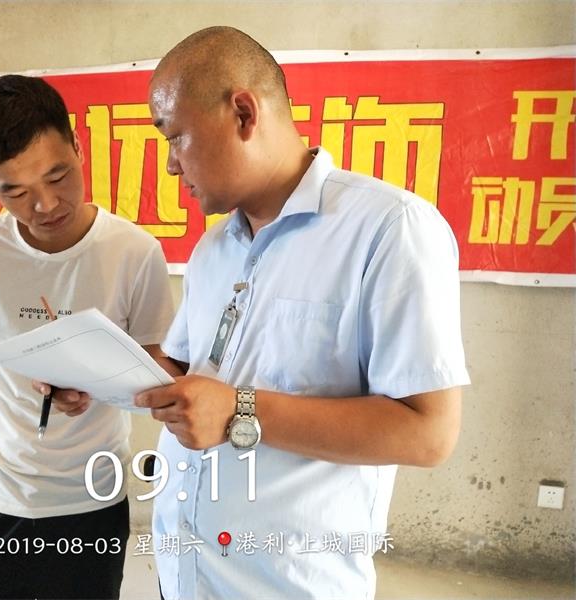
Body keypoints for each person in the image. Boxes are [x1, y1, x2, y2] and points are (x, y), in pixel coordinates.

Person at [133, 26, 471, 599]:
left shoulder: (388, 230)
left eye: (176, 137)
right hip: (183, 573)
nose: (170, 165)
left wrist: (239, 409)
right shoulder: (214, 250)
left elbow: (428, 433)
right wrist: (98, 371)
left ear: (243, 113)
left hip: (287, 585)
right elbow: (191, 373)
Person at [0, 74, 174, 600]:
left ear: (79, 148)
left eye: (58, 176)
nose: (45, 205)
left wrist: (94, 386)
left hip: (89, 496)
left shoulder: (134, 253)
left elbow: (156, 376)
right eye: (15, 192)